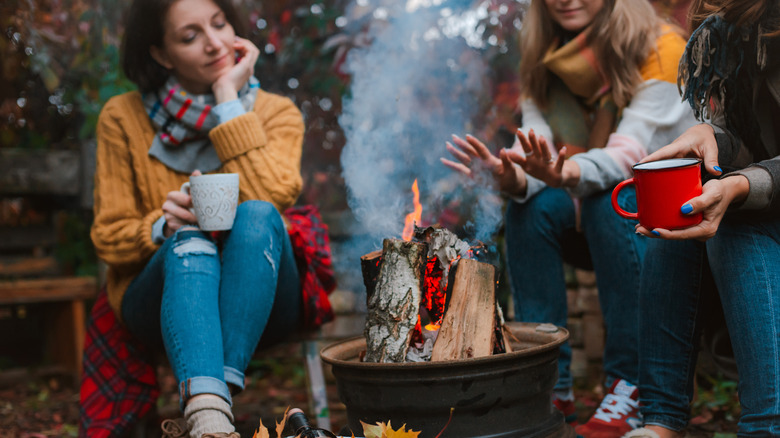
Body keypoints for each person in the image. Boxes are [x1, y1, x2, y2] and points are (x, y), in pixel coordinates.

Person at [442, 0, 699, 436]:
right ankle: (546, 385)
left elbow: (628, 159)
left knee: (607, 197)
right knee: (530, 206)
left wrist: (559, 173)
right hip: (589, 208)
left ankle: (630, 385)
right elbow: (538, 155)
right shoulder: (543, 62)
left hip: (664, 221)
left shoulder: (663, 49)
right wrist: (512, 177)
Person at [90, 0, 305, 436]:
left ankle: (207, 413)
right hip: (162, 297)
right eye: (190, 37)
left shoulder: (277, 113)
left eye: (220, 24)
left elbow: (273, 197)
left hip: (261, 295)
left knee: (259, 213)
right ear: (162, 54)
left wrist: (228, 100)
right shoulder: (122, 117)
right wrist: (160, 227)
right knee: (190, 240)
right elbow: (108, 236)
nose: (214, 43)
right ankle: (211, 418)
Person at [623, 0, 780, 437]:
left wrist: (742, 184)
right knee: (677, 219)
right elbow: (751, 142)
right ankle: (659, 423)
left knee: (732, 218)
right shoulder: (730, 32)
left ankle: (768, 424)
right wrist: (710, 134)